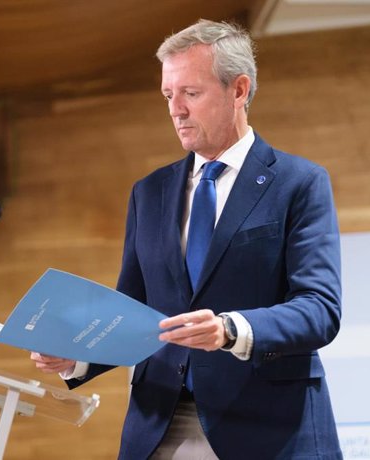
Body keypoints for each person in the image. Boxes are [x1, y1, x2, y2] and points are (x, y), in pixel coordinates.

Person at [31, 19, 343, 460]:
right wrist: (77, 358)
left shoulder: (299, 183)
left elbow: (319, 308)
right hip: (160, 423)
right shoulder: (149, 192)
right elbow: (132, 310)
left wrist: (231, 330)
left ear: (239, 90)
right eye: (168, 95)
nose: (176, 109)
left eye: (190, 94)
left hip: (269, 426)